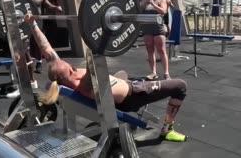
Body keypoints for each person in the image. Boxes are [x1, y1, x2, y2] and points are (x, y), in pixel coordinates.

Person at [25, 12, 188, 142]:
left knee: (124, 74)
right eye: (66, 64)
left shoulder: (62, 76)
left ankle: (135, 83)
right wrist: (102, 24)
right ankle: (167, 129)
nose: (67, 62)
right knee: (180, 86)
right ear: (67, 72)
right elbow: (95, 55)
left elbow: (45, 47)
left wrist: (32, 24)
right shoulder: (83, 82)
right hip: (134, 95)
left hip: (122, 86)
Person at [9, 0, 37, 97]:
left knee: (21, 55)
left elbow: (17, 13)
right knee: (26, 54)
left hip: (22, 27)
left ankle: (24, 86)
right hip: (26, 26)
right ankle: (31, 82)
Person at [26, 0, 63, 73]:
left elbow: (49, 6)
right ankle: (29, 64)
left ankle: (39, 63)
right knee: (27, 44)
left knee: (38, 43)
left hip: (38, 23)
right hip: (25, 23)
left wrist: (56, 8)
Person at [140, 0, 170, 80]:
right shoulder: (144, 2)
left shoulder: (161, 1)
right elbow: (138, 9)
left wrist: (153, 4)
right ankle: (153, 72)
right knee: (150, 50)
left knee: (161, 50)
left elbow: (163, 12)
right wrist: (144, 3)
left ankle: (166, 73)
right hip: (147, 28)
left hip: (158, 28)